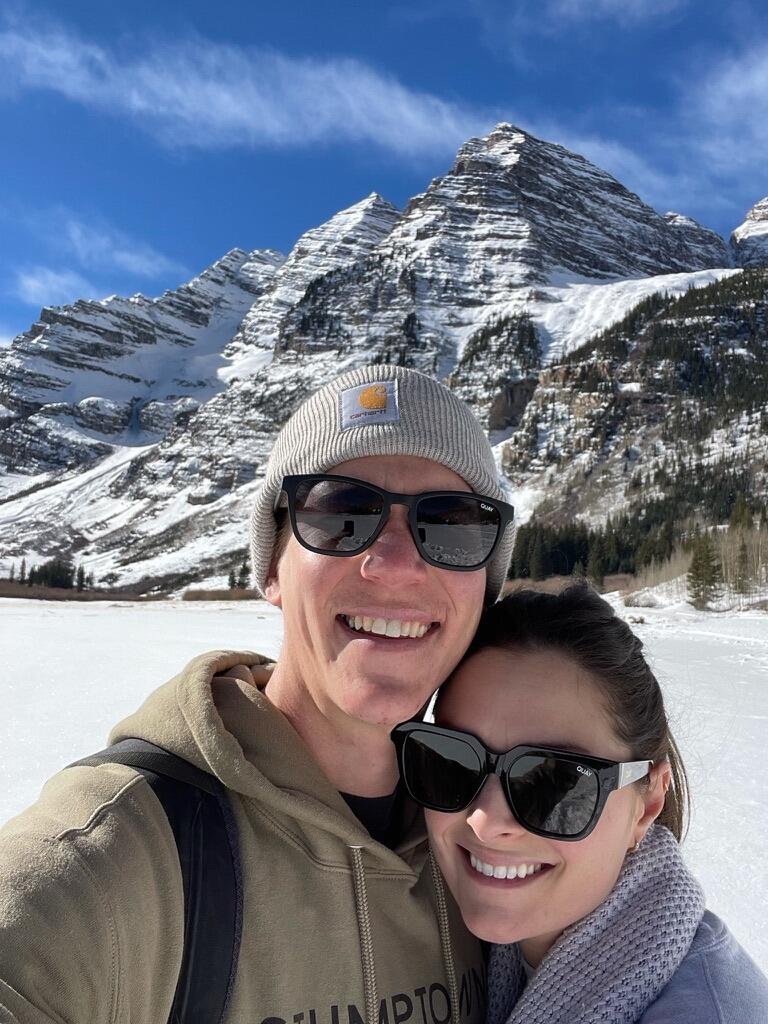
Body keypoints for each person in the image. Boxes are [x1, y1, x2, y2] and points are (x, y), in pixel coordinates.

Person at [0, 364, 516, 1024]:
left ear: (485, 582)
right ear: (273, 567)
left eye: (452, 525)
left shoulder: (494, 841)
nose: (394, 564)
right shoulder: (120, 854)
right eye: (341, 513)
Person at [393, 584, 768, 1024]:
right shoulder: (502, 953)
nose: (486, 820)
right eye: (453, 761)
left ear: (647, 802)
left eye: (555, 782)